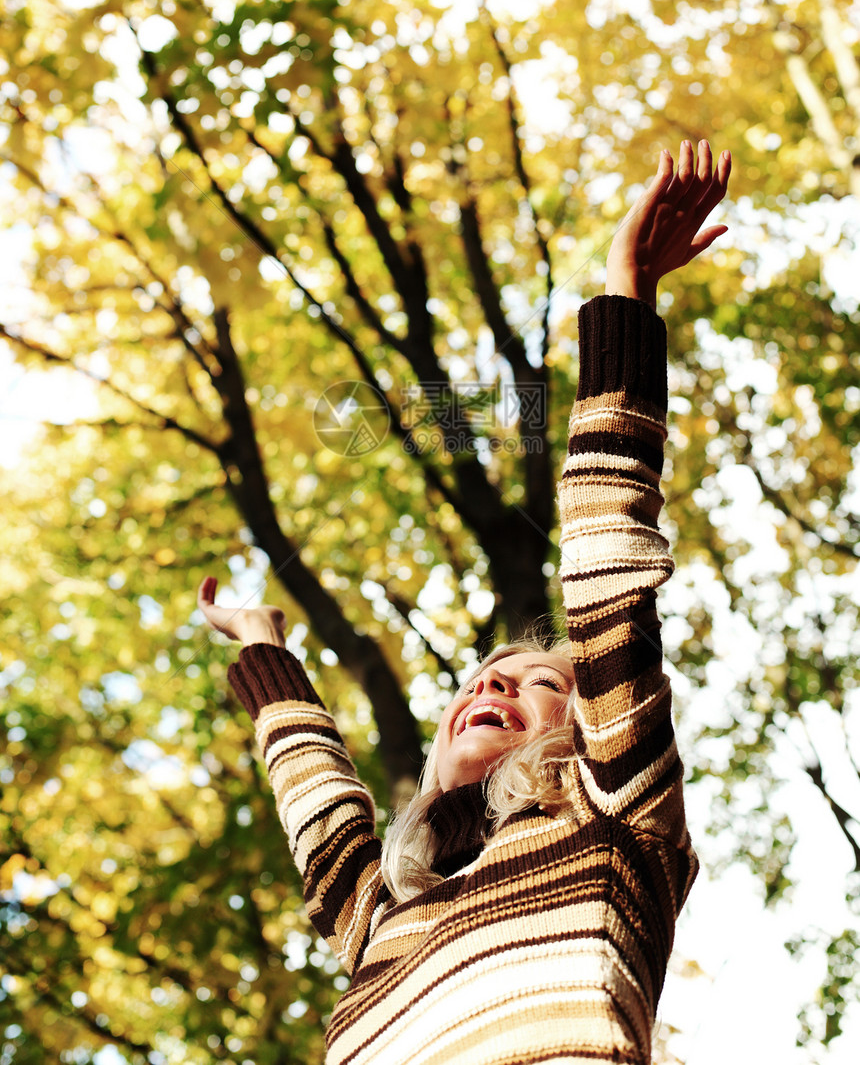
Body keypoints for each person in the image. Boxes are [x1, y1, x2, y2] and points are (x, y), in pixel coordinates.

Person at [197, 139, 731, 1065]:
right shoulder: (377, 917)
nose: (492, 688)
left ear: (590, 725)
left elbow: (607, 564)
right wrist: (263, 649)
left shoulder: (613, 815)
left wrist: (626, 292)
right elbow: (320, 803)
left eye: (536, 684)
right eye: (482, 679)